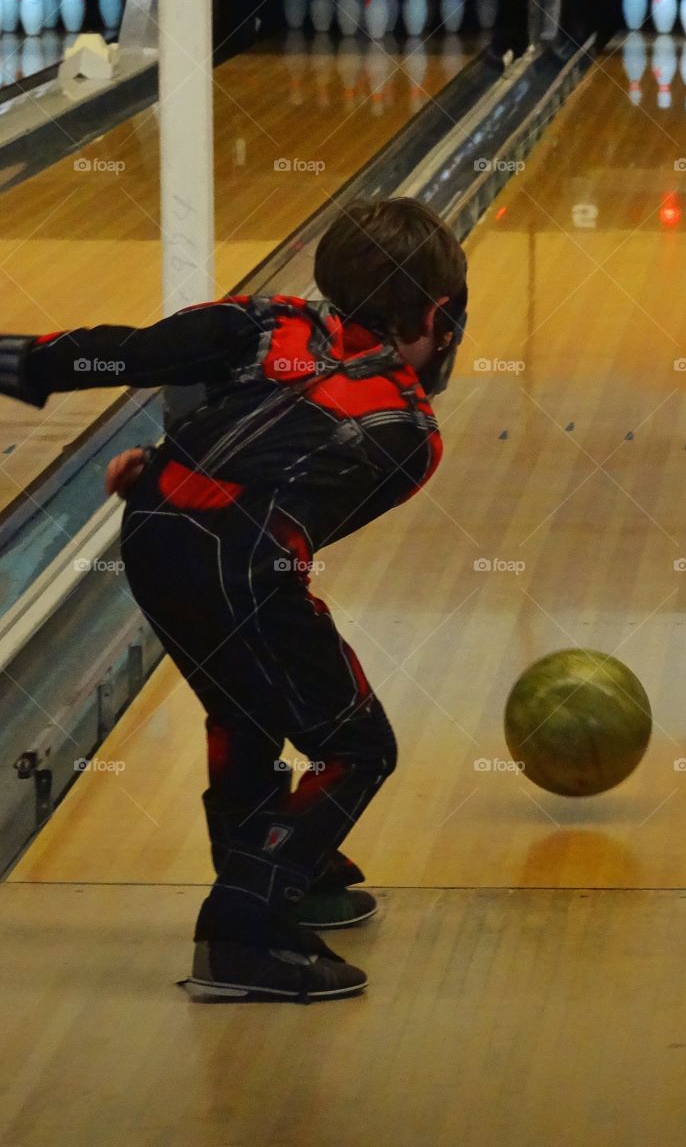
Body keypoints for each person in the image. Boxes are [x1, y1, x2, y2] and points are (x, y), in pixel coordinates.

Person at [0, 197, 468, 1002]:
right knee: (359, 748)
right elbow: (291, 500)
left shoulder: (264, 318)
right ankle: (243, 926)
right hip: (240, 565)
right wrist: (188, 473)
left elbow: (130, 354)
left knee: (246, 709)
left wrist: (28, 367)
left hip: (153, 540)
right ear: (440, 316)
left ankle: (291, 869)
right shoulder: (410, 432)